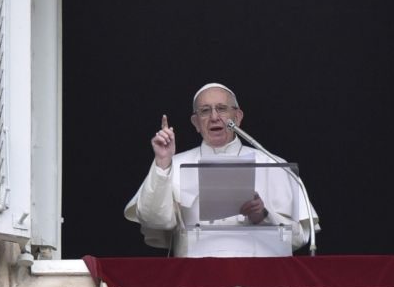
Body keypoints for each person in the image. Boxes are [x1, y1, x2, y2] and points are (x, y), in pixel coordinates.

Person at [125, 82, 319, 256]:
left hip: (260, 278)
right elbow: (153, 221)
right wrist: (162, 162)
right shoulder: (173, 165)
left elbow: (299, 239)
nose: (214, 117)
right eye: (205, 111)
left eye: (222, 109)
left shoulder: (274, 164)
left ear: (238, 116)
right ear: (196, 123)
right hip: (195, 279)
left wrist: (265, 216)